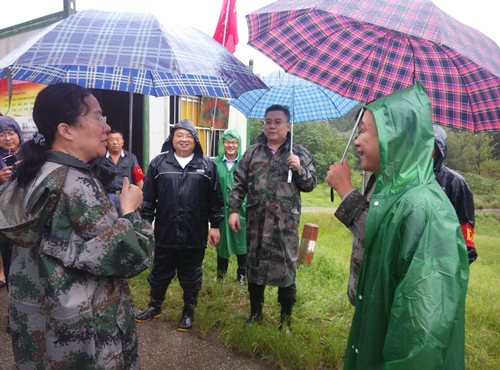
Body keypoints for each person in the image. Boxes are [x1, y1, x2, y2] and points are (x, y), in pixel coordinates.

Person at [0, 83, 155, 370]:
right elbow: (132, 255)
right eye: (98, 118)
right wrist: (131, 212)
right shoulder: (76, 185)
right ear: (66, 130)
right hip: (85, 338)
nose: (106, 128)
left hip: (45, 330)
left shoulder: (29, 173)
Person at [329, 82, 468, 369]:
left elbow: (420, 339)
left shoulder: (424, 211)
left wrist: (345, 191)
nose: (356, 141)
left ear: (395, 135)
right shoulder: (395, 193)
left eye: (364, 131)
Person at [228, 105, 317, 332]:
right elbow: (239, 182)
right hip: (257, 224)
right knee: (254, 268)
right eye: (268, 121)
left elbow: (310, 185)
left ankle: (285, 321)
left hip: (284, 227)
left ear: (288, 126)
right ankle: (255, 313)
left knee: (286, 271)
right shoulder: (253, 152)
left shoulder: (299, 153)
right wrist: (234, 210)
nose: (272, 126)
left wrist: (299, 169)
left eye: (278, 122)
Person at [136, 119, 224, 332]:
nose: (184, 140)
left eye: (189, 136)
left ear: (196, 140)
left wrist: (215, 225)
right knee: (159, 273)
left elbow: (216, 199)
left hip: (195, 233)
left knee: (191, 275)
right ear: (172, 139)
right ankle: (155, 306)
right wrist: (144, 225)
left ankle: (188, 312)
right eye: (179, 135)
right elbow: (148, 199)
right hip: (165, 232)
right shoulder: (158, 164)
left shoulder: (207, 166)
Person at [433, 125, 477, 264]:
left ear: (440, 148)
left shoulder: (455, 182)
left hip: (445, 260)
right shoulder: (408, 178)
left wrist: (461, 262)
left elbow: (465, 225)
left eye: (430, 143)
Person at [212, 129, 248, 285]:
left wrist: (242, 205)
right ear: (222, 144)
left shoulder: (245, 164)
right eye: (227, 141)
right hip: (221, 211)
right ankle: (221, 274)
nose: (230, 145)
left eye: (234, 142)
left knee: (242, 243)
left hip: (240, 210)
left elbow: (249, 187)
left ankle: (242, 274)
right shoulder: (215, 163)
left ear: (238, 144)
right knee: (222, 244)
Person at [94, 129, 145, 217]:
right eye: (111, 139)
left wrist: (142, 199)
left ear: (122, 142)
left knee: (128, 224)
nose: (115, 142)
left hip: (126, 197)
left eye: (118, 139)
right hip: (106, 197)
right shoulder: (99, 159)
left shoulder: (131, 158)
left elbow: (139, 179)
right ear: (106, 142)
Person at [0, 116, 24, 293]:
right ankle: (14, 306)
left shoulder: (30, 153)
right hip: (6, 219)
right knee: (10, 259)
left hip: (29, 215)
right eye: (1, 135)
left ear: (18, 134)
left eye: (11, 133)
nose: (7, 138)